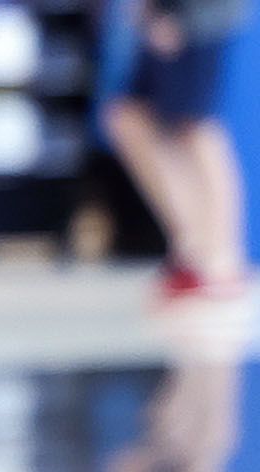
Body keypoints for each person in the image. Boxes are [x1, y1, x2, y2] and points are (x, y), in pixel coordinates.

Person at [104, 0, 251, 304]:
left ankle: (223, 260)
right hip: (164, 16)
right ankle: (194, 251)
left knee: (195, 126)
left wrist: (180, 19)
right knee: (128, 118)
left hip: (194, 17)